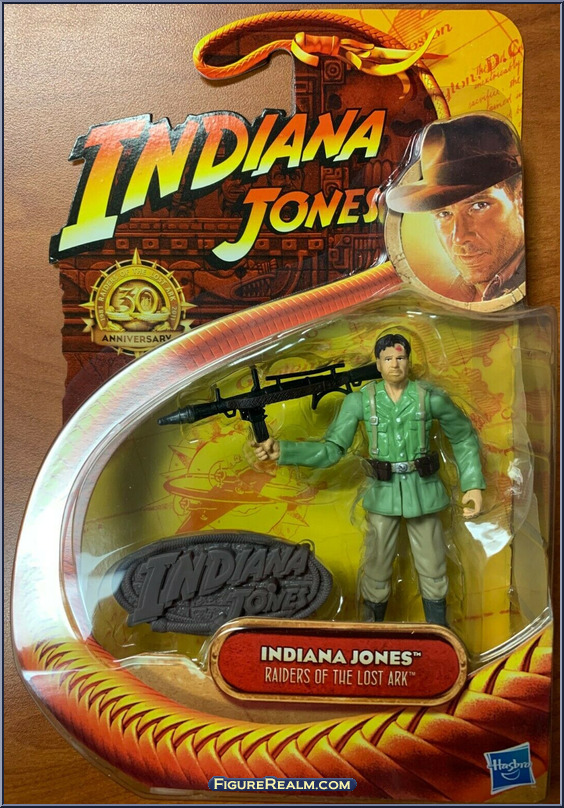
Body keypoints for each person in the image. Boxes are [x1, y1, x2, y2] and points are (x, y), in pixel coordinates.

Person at [253, 333, 485, 626]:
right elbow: (332, 450)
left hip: (424, 492)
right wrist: (284, 450)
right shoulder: (361, 401)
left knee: (434, 568)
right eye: (388, 359)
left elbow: (462, 436)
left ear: (409, 361)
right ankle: (370, 630)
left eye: (400, 358)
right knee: (376, 569)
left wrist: (472, 484)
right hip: (382, 493)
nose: (395, 364)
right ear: (377, 364)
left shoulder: (429, 398)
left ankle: (438, 631)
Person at [386, 114, 525, 302]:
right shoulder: (456, 295)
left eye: (479, 206)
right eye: (444, 213)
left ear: (520, 198)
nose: (459, 237)